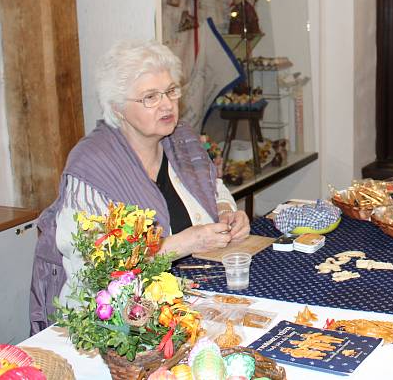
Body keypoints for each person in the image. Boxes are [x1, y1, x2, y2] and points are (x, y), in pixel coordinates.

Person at [30, 40, 250, 334]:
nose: (167, 104)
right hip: (114, 325)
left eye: (171, 91)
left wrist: (227, 213)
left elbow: (212, 189)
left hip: (186, 301)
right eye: (150, 97)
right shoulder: (92, 164)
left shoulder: (180, 138)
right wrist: (184, 243)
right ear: (118, 108)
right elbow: (97, 269)